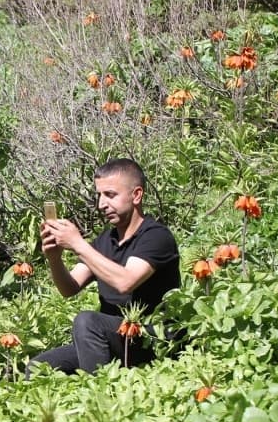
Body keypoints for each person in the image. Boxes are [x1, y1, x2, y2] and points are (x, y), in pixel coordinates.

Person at [27, 158, 180, 375]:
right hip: (114, 338)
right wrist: (54, 258)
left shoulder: (156, 236)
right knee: (38, 367)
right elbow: (69, 288)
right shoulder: (105, 241)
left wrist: (78, 244)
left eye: (110, 195)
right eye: (99, 195)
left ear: (136, 195)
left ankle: (99, 396)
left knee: (87, 321)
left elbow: (126, 281)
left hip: (152, 340)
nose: (101, 204)